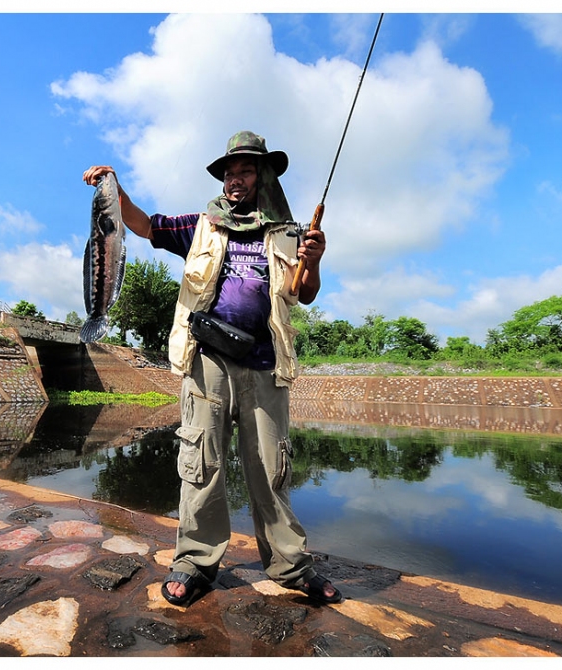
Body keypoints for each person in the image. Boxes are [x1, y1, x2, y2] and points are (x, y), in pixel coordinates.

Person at [83, 130, 340, 608]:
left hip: (266, 364)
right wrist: (112, 188)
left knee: (271, 467)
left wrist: (315, 259)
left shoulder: (288, 233)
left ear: (262, 175)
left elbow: (303, 292)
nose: (235, 179)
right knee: (201, 463)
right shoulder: (200, 225)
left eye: (245, 170)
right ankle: (196, 561)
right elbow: (141, 224)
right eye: (229, 171)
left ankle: (292, 566)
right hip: (208, 361)